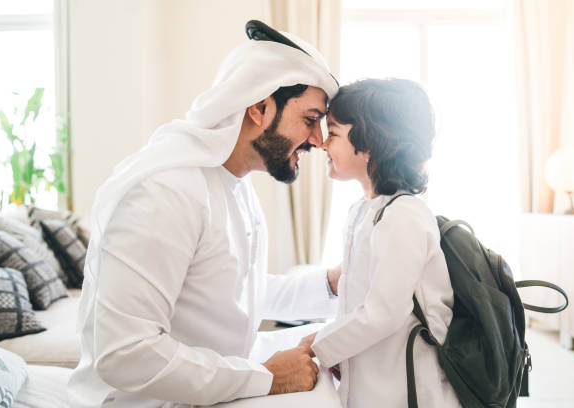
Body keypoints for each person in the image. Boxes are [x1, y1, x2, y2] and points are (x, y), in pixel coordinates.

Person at [67, 21, 341, 408]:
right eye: (310, 119)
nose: (317, 139)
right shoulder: (165, 191)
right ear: (260, 108)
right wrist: (267, 377)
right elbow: (124, 354)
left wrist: (331, 283)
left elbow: (237, 293)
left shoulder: (234, 183)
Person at [301, 78, 461, 407]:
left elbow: (383, 313)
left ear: (370, 143)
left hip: (407, 391)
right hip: (376, 383)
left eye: (333, 133)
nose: (321, 144)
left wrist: (314, 345)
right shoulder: (364, 211)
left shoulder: (403, 215)